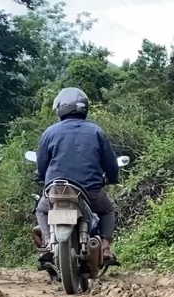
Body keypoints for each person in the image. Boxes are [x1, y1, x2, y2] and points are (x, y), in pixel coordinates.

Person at [34, 87, 120, 267]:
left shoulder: (50, 132)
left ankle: (49, 242)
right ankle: (104, 247)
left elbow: (41, 163)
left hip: (56, 190)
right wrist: (112, 177)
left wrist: (41, 177)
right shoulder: (96, 131)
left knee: (42, 209)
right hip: (90, 191)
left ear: (60, 107)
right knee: (107, 210)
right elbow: (110, 163)